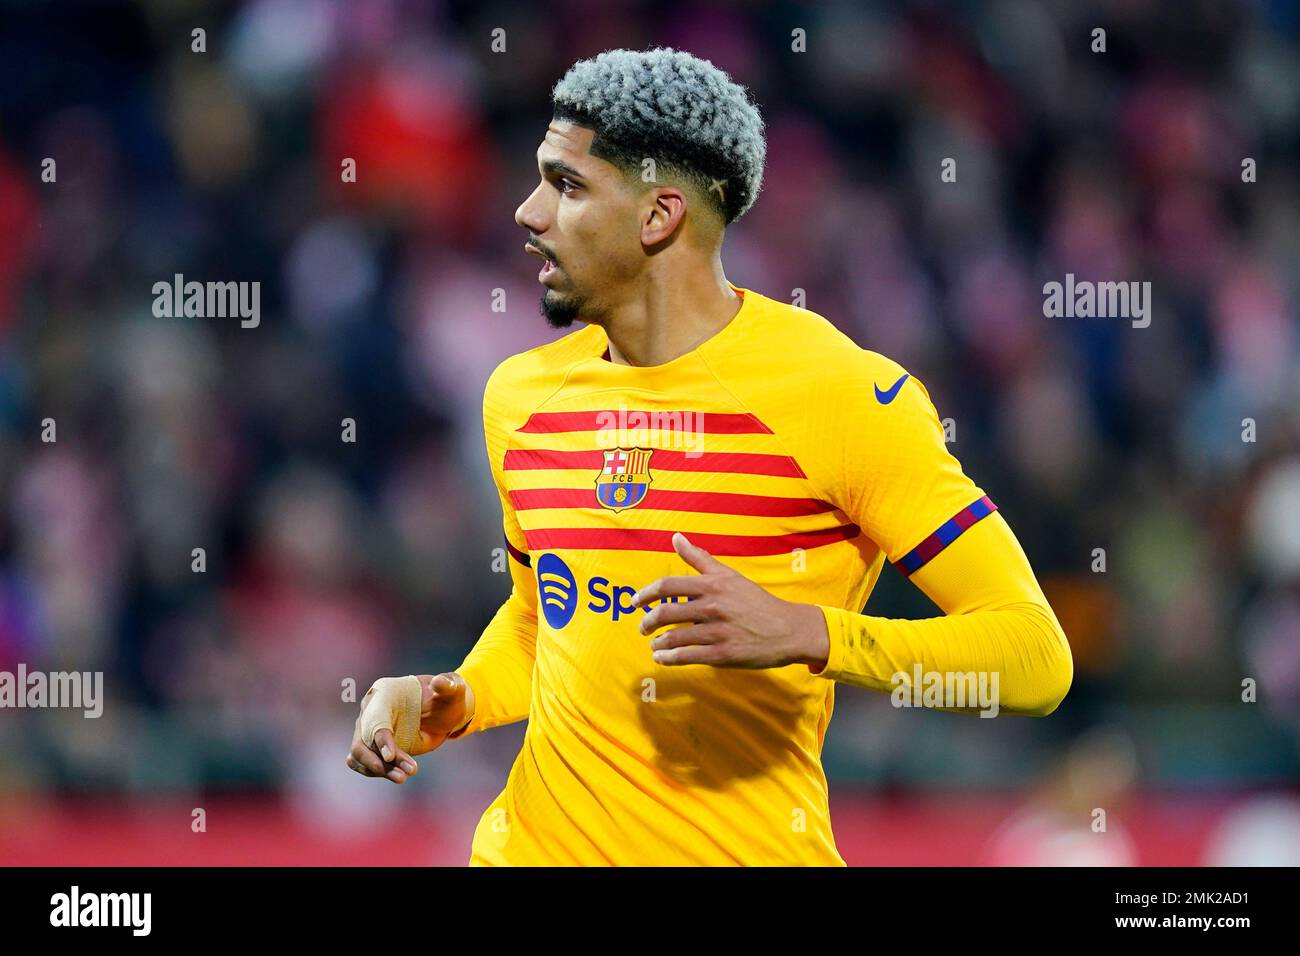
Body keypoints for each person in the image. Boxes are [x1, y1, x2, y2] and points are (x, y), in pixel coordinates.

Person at [346, 47, 1073, 866]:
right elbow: (546, 615)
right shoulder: (523, 397)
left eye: (568, 185)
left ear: (658, 217)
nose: (528, 211)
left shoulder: (842, 396)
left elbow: (1032, 660)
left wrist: (811, 634)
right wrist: (456, 699)